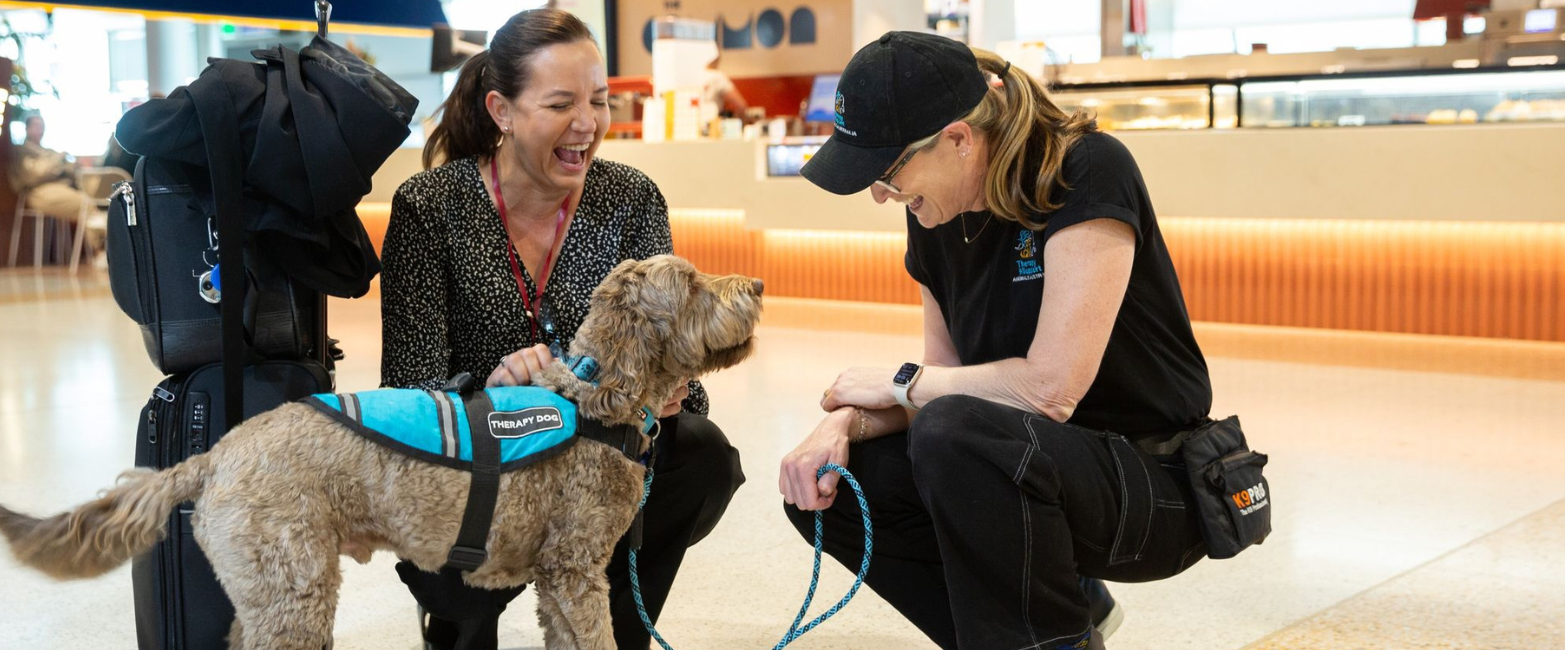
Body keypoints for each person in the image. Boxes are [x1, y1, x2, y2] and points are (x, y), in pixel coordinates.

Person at [778, 32, 1213, 650]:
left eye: (887, 172)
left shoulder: (1086, 170)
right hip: (1030, 471)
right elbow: (942, 384)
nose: (880, 194)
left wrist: (899, 382)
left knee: (953, 434)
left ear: (957, 140)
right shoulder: (935, 213)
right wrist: (841, 427)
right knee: (830, 493)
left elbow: (1050, 391)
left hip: (1154, 478)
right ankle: (1041, 633)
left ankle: (1047, 628)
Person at [379, 9, 745, 650]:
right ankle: (460, 625)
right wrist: (488, 392)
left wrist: (663, 394)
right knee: (456, 587)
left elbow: (687, 378)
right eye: (560, 104)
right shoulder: (429, 207)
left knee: (703, 454)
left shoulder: (630, 200)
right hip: (483, 469)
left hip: (601, 468)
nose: (588, 124)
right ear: (502, 110)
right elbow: (406, 398)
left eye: (599, 101)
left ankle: (617, 632)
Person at [9, 115, 85, 222]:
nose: (40, 129)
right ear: (27, 128)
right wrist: (59, 159)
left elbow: (67, 170)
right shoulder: (21, 151)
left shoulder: (48, 151)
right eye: (36, 126)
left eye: (42, 126)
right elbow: (36, 174)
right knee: (87, 204)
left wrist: (73, 166)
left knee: (91, 199)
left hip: (58, 187)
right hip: (36, 192)